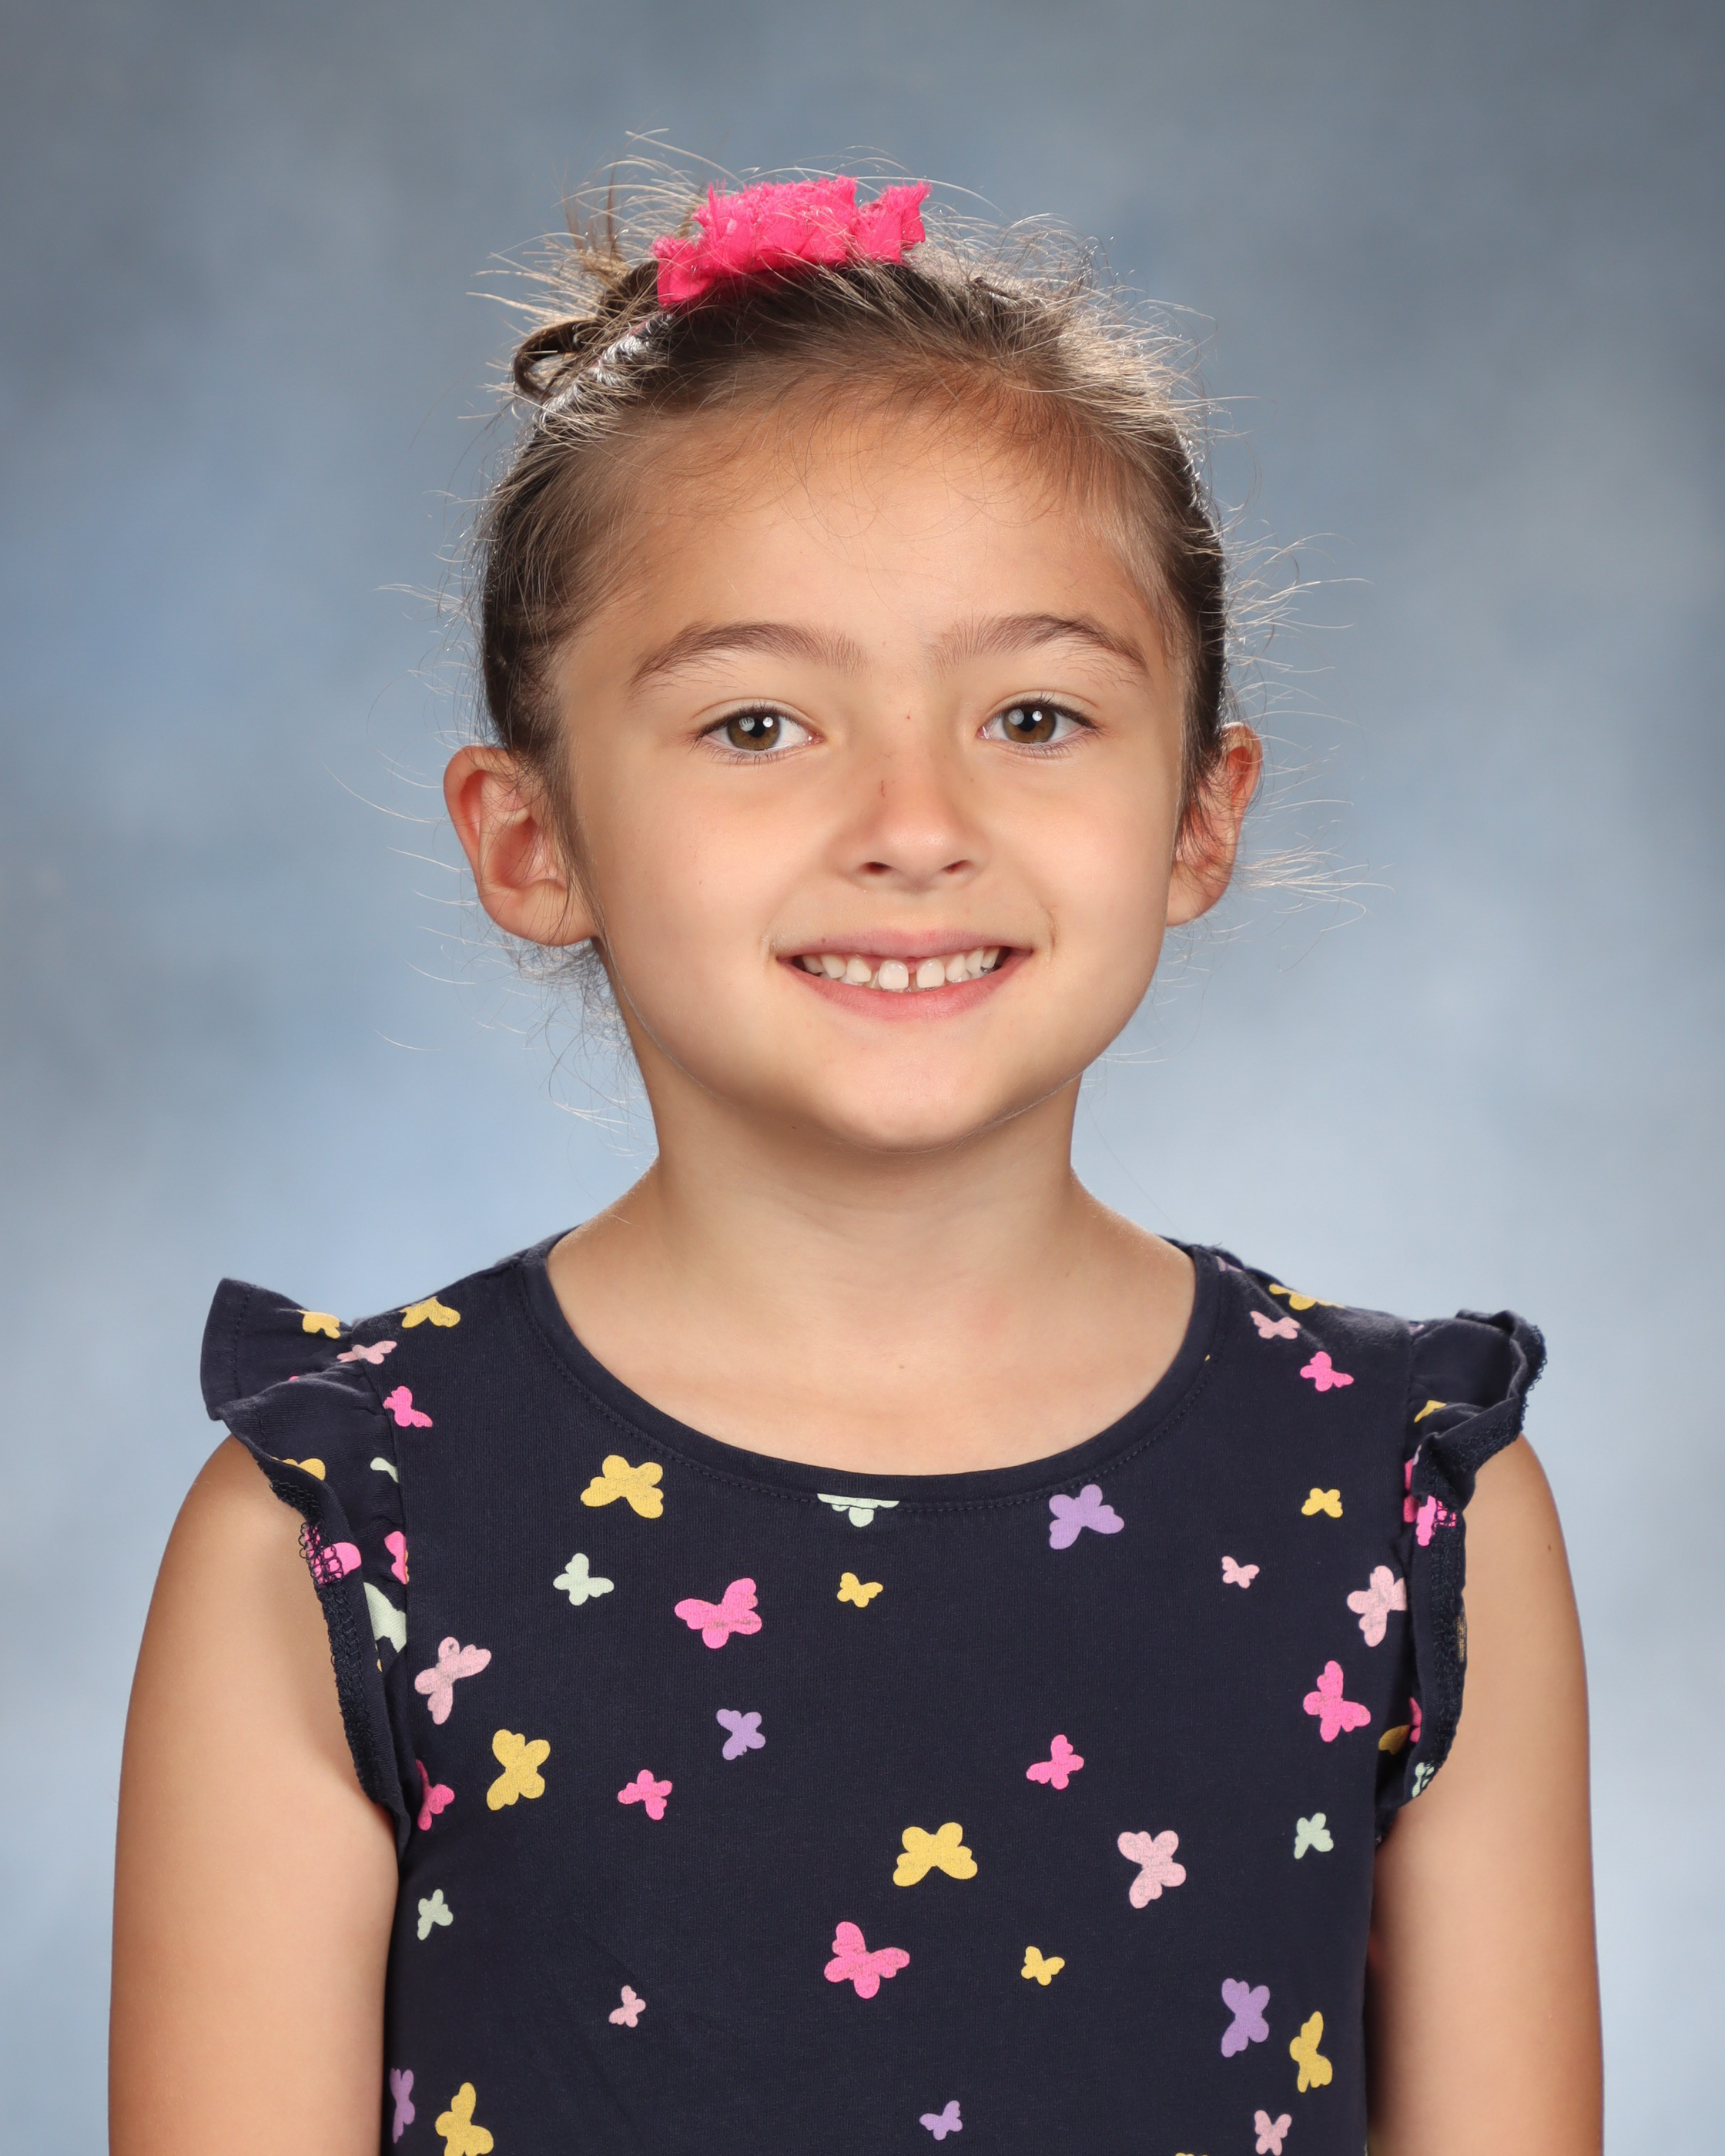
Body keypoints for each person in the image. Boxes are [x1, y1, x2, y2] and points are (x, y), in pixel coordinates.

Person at [109, 172, 1601, 2155]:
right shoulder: (335, 1532)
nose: (913, 820)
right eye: (756, 723)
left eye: (1035, 714)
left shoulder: (1409, 1504)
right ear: (531, 839)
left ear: (1198, 813)